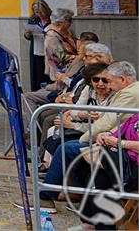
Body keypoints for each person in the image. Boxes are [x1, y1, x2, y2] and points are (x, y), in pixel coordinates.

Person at [39, 61, 139, 210]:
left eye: (109, 81)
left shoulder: (130, 93)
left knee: (68, 148)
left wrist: (86, 138)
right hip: (113, 143)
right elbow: (116, 123)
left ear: (122, 79)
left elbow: (109, 120)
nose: (108, 86)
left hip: (124, 153)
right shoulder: (128, 91)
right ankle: (79, 202)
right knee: (70, 148)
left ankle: (47, 197)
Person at [23, 0, 52, 89]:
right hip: (37, 51)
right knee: (37, 76)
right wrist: (27, 34)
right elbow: (27, 36)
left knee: (49, 76)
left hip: (49, 52)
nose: (39, 15)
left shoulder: (52, 20)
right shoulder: (33, 20)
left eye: (40, 12)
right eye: (36, 12)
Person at [44, 8, 78, 83]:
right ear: (61, 21)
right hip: (59, 74)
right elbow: (61, 56)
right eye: (69, 20)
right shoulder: (52, 36)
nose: (71, 22)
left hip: (71, 70)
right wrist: (79, 57)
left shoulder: (68, 31)